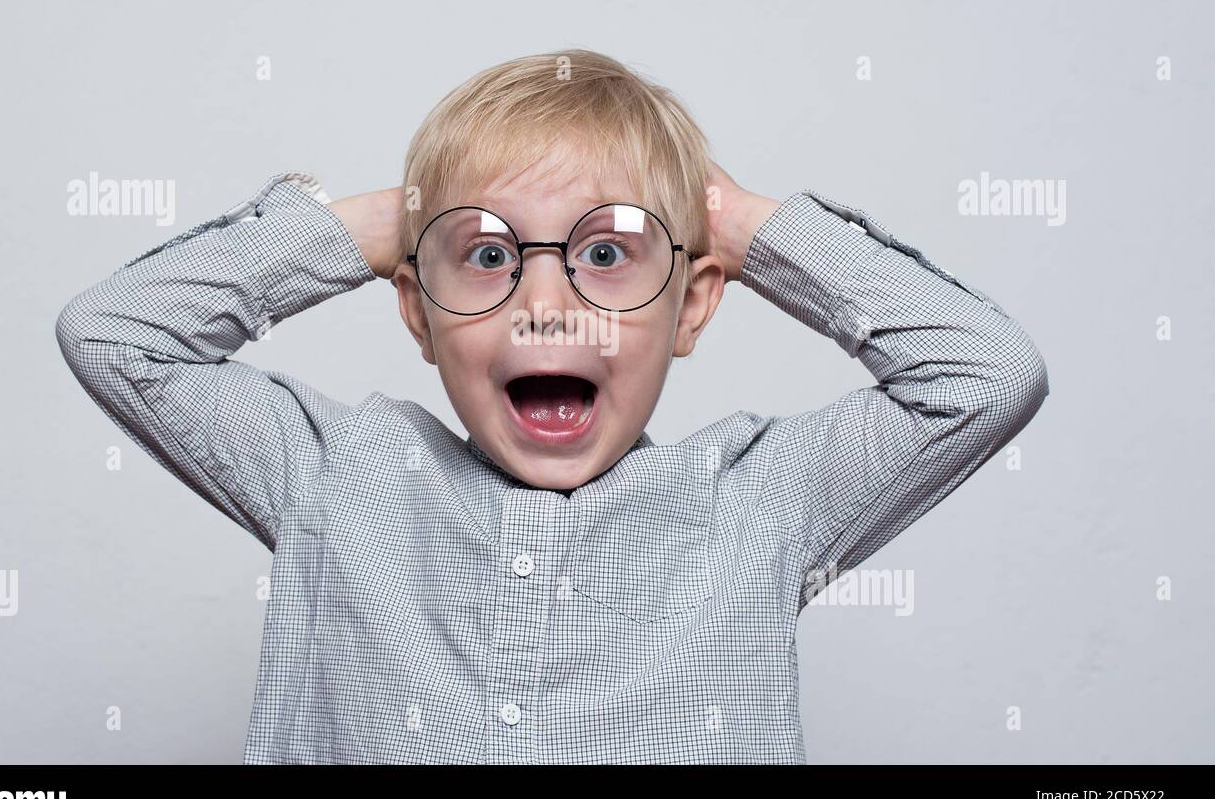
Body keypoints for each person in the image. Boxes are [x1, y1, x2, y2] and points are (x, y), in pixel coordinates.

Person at [55, 49, 1050, 763]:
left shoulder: (756, 502)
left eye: (607, 252)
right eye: (488, 255)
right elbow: (116, 333)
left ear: (693, 303)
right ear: (417, 309)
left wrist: (743, 226)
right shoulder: (333, 476)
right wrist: (383, 224)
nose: (543, 302)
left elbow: (983, 375)